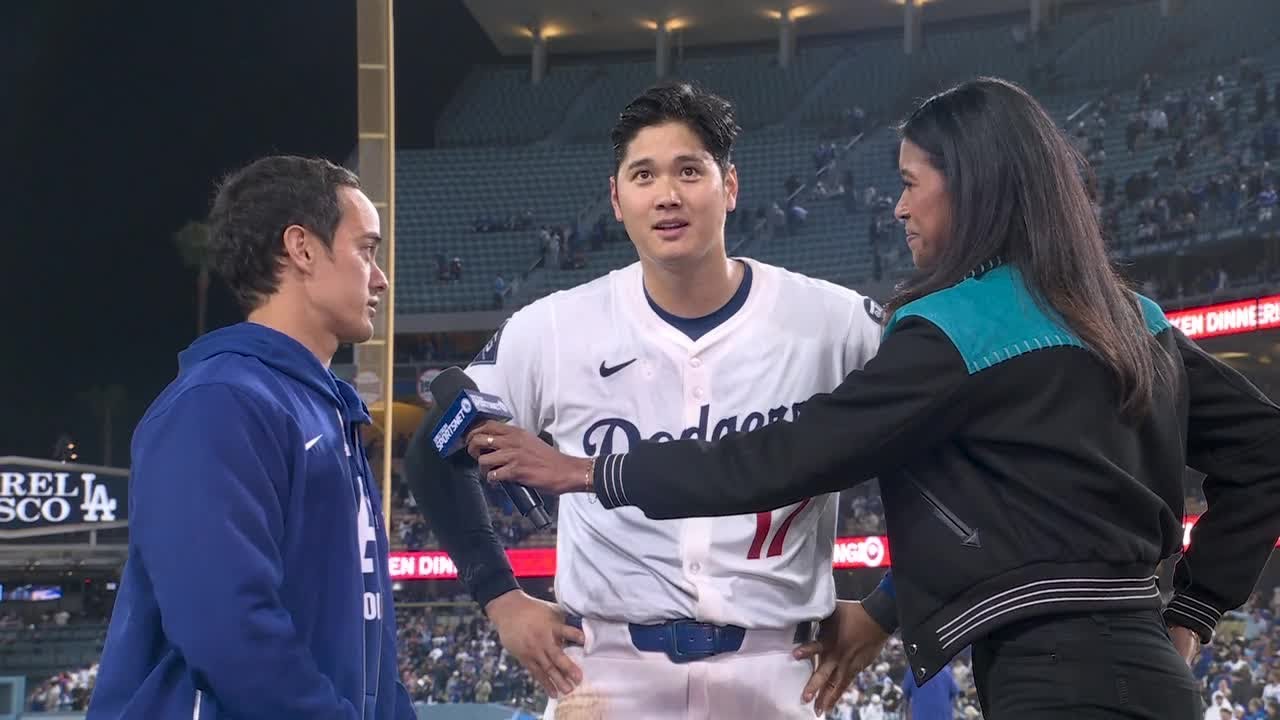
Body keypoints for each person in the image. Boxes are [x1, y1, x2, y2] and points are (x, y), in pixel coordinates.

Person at [469, 78, 1280, 719]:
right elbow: (1267, 449)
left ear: (969, 188)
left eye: (909, 183)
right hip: (1150, 669)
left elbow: (783, 457)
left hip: (1050, 677)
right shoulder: (1128, 317)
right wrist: (1195, 611)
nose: (898, 207)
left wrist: (592, 472)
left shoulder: (956, 329)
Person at [403, 81, 885, 719]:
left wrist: (888, 607)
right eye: (643, 175)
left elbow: (949, 438)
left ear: (730, 185)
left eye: (689, 171)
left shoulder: (836, 322)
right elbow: (434, 448)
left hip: (778, 668)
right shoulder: (554, 328)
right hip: (606, 673)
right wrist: (500, 597)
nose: (667, 195)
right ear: (616, 197)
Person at [88, 156, 414, 720]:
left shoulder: (325, 411)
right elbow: (226, 628)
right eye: (366, 250)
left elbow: (367, 646)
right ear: (302, 248)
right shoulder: (219, 402)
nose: (380, 277)